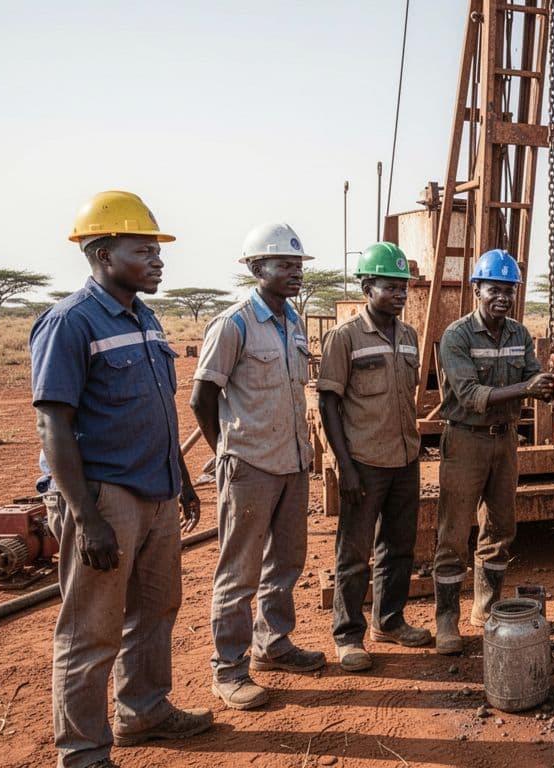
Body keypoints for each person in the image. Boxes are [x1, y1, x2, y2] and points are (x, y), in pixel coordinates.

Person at [33, 190, 212, 768]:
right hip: (105, 498)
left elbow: (158, 408)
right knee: (92, 630)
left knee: (156, 610)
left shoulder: (146, 317)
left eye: (158, 251)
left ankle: (143, 710)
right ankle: (83, 751)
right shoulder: (69, 322)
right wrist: (85, 516)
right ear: (104, 253)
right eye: (145, 250)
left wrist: (180, 478)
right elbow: (54, 426)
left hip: (156, 490)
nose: (159, 261)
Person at [191, 222, 323, 710]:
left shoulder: (294, 321)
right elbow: (202, 398)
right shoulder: (234, 323)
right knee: (239, 571)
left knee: (285, 563)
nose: (294, 273)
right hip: (249, 466)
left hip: (292, 463)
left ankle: (274, 644)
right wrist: (227, 449)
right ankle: (228, 670)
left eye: (297, 265)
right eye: (283, 264)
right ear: (255, 268)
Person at [317, 242, 434, 673]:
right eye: (390, 286)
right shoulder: (344, 338)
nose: (400, 293)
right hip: (364, 462)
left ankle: (389, 620)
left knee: (399, 546)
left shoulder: (409, 336)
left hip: (405, 458)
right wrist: (344, 466)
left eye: (403, 286)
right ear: (367, 287)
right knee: (354, 552)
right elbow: (330, 402)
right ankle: (348, 636)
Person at [432, 249, 554, 655]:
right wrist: (527, 389)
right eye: (494, 290)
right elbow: (469, 395)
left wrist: (551, 379)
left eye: (509, 291)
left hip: (505, 441)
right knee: (453, 533)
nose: (502, 298)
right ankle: (446, 621)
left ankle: (485, 610)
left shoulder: (519, 334)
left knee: (500, 530)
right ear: (476, 290)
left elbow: (530, 372)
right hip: (466, 439)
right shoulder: (457, 336)